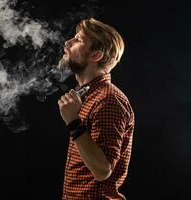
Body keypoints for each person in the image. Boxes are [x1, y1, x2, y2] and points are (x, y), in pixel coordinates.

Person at [58, 18, 135, 199]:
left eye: (78, 40)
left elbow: (102, 170)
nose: (67, 43)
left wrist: (73, 122)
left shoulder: (108, 100)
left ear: (95, 55)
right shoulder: (87, 96)